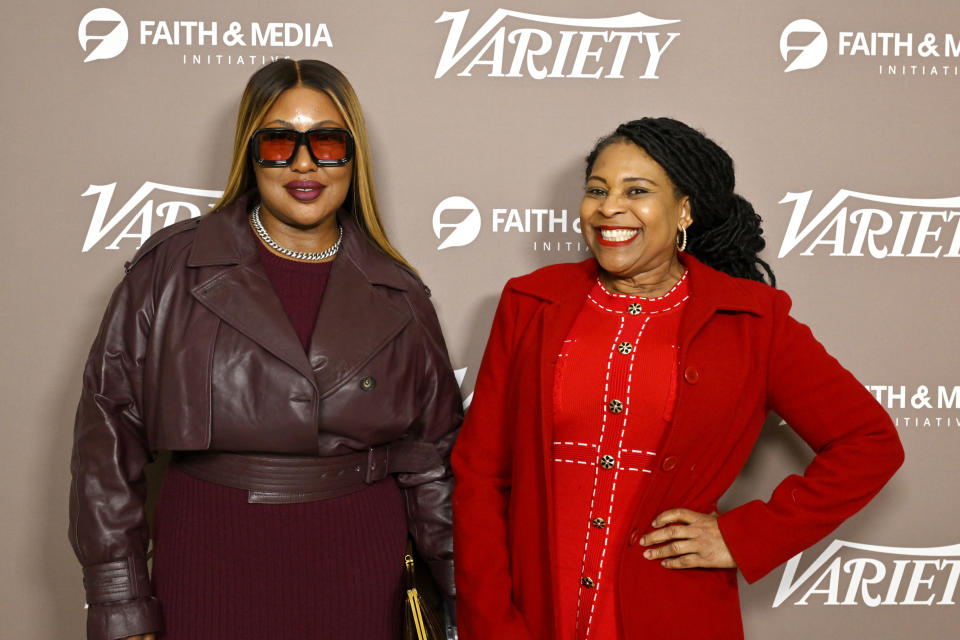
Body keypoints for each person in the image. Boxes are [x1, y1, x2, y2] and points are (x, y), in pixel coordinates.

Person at [451, 117, 904, 639]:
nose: (609, 207)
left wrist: (742, 537)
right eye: (596, 190)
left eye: (637, 191)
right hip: (534, 614)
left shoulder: (753, 319)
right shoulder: (531, 302)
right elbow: (481, 476)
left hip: (674, 615)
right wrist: (491, 620)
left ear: (684, 209)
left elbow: (869, 442)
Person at [69, 59, 460, 640]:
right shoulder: (169, 271)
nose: (304, 163)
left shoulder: (401, 293)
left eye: (327, 142)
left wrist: (464, 600)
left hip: (358, 570)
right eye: (279, 142)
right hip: (208, 563)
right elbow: (107, 441)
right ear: (251, 153)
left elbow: (433, 466)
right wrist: (121, 604)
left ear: (353, 156)